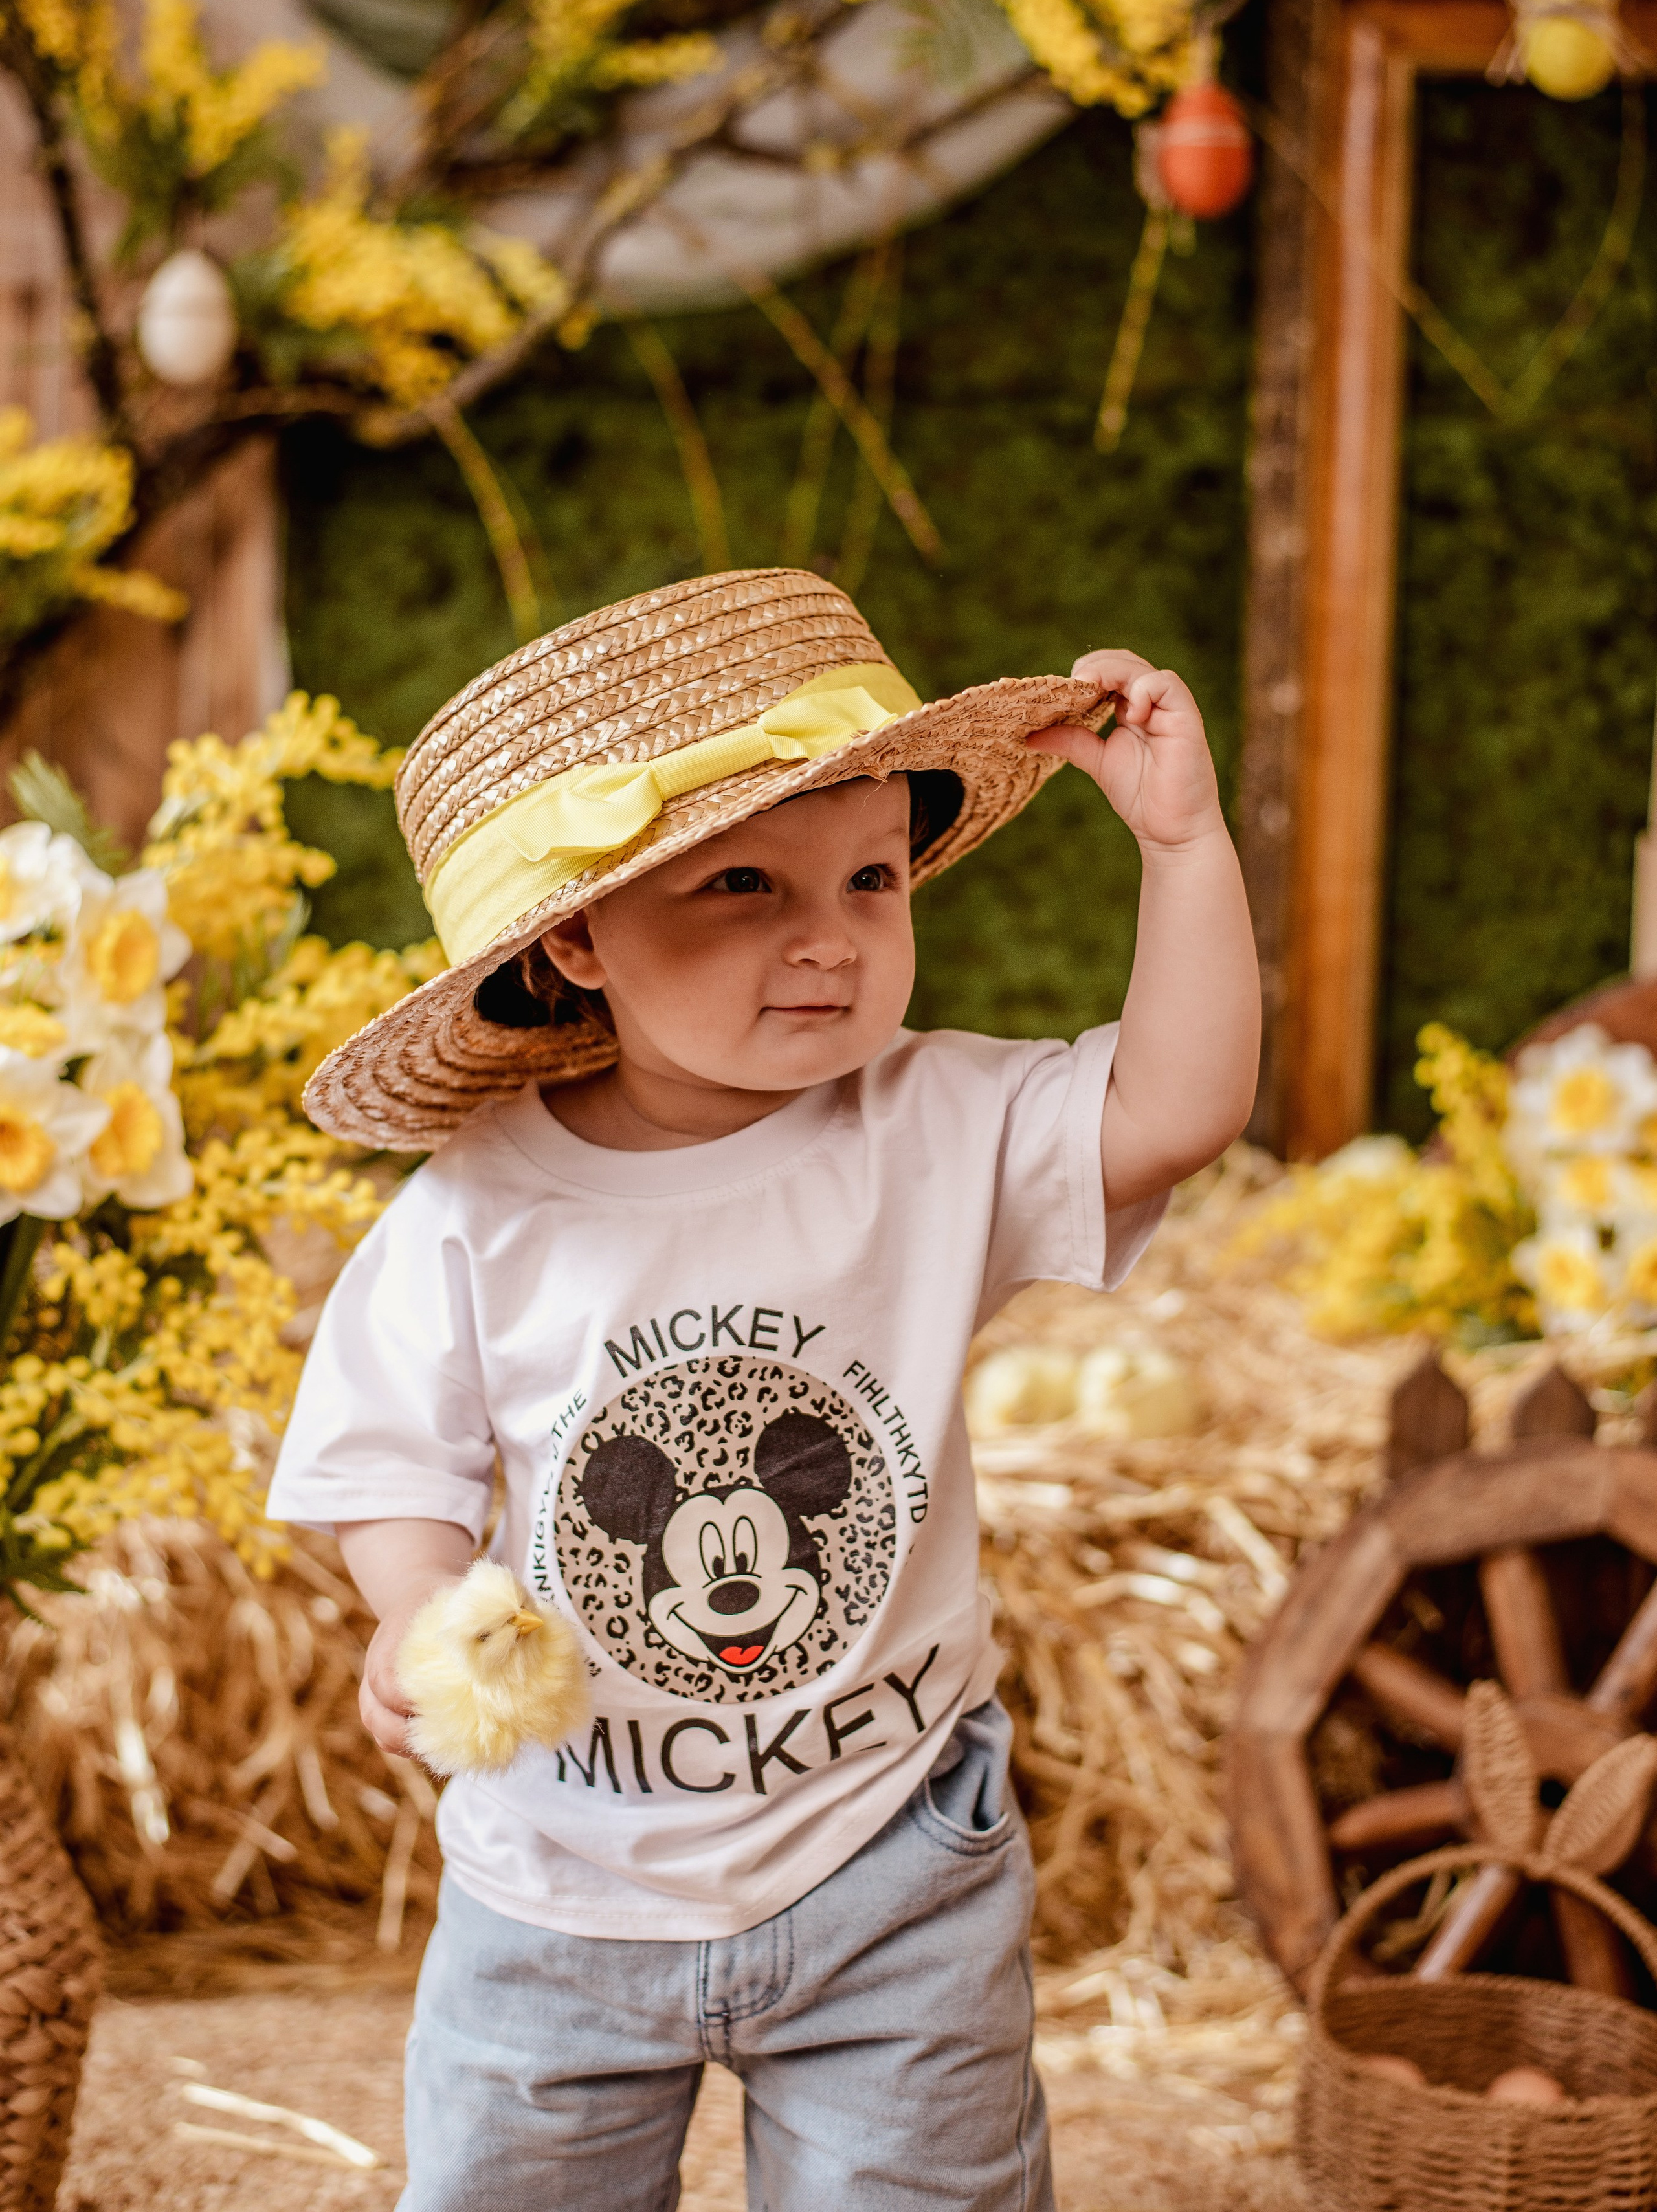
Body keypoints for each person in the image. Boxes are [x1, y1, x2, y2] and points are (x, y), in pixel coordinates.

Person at [269, 566, 1260, 2212]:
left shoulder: (934, 1125)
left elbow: (1174, 1110)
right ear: (575, 938)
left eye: (873, 876)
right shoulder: (477, 1208)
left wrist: (1180, 848)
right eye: (741, 885)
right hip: (557, 1887)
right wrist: (419, 1606)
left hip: (888, 1867)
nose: (832, 940)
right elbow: (387, 1458)